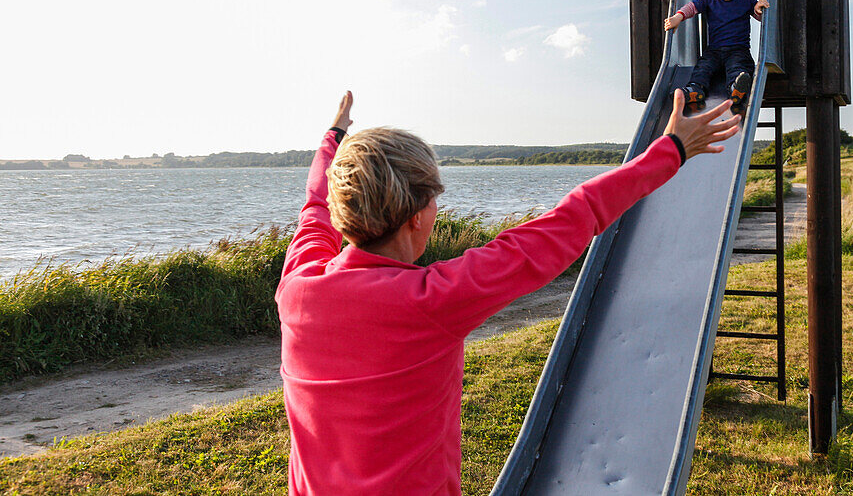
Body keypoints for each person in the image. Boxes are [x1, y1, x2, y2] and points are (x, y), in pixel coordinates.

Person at [276, 89, 741, 495]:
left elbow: (314, 205)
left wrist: (332, 139)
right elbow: (571, 220)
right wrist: (672, 150)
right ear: (417, 216)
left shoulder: (297, 285)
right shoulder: (431, 300)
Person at [663, 0, 769, 114]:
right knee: (703, 67)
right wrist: (678, 16)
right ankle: (695, 89)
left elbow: (759, 17)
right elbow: (692, 7)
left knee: (738, 67)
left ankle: (736, 89)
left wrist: (759, 8)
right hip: (714, 50)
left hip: (738, 49)